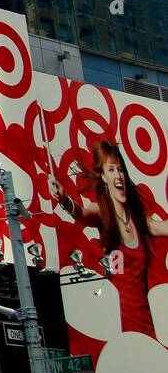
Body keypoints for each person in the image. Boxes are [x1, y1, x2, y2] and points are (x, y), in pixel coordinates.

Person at [49, 141, 168, 336]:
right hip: (116, 325)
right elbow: (81, 214)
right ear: (103, 176)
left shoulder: (139, 221)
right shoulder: (102, 213)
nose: (118, 175)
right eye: (111, 170)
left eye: (120, 169)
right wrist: (64, 200)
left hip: (146, 325)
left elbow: (163, 227)